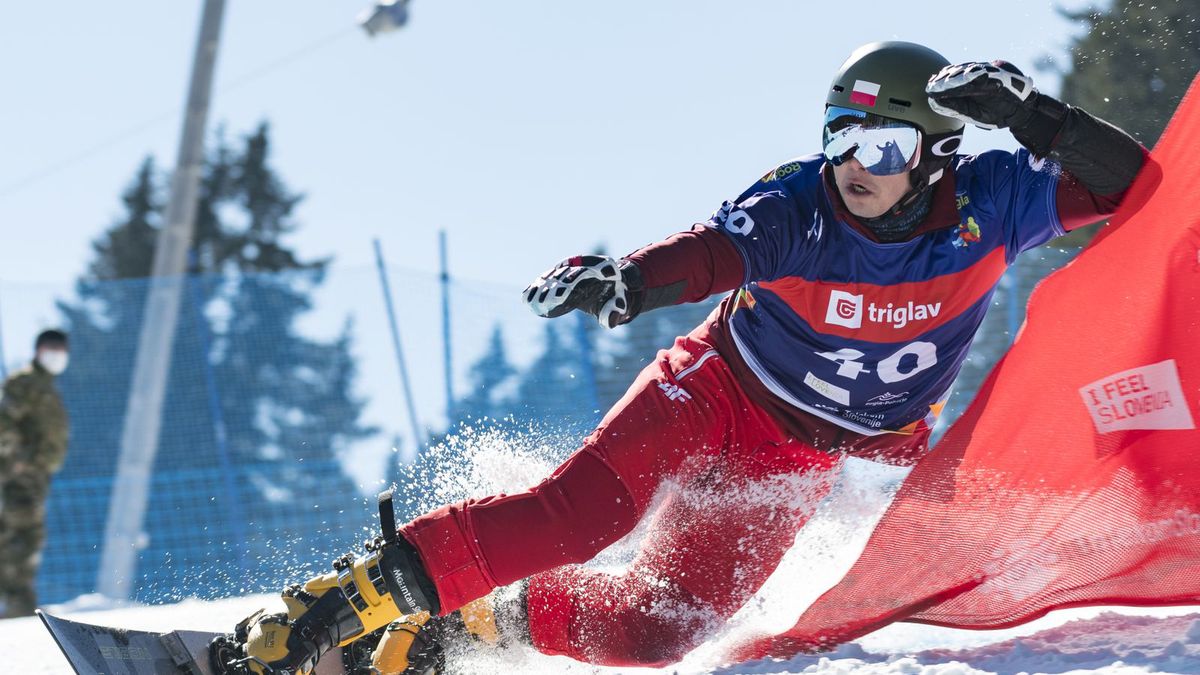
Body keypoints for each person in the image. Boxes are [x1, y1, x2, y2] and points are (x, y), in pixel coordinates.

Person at [233, 41, 1147, 674]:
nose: (853, 165)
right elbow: (715, 253)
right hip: (717, 391)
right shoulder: (807, 204)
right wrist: (630, 280)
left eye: (883, 144)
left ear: (941, 154)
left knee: (656, 631)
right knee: (579, 517)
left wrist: (1038, 117)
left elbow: (1134, 184)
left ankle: (466, 622)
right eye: (839, 135)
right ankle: (332, 607)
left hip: (803, 456)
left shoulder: (997, 198)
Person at [0, 329, 70, 618]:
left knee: (22, 536)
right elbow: (4, 422)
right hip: (19, 477)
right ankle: (19, 604)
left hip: (34, 477)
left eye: (61, 349)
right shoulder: (25, 382)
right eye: (51, 347)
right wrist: (17, 462)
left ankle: (20, 603)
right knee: (21, 536)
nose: (57, 354)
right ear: (39, 349)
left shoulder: (46, 386)